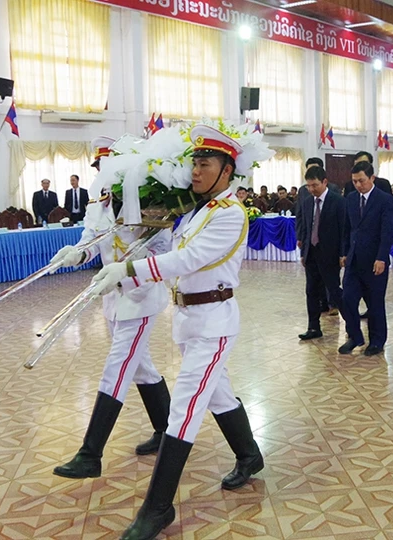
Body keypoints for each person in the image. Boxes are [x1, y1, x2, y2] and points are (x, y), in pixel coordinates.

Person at [92, 125, 265, 540]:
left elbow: (188, 259)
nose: (196, 171)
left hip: (214, 325)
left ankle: (157, 508)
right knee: (218, 393)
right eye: (193, 163)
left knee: (184, 409)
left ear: (227, 170)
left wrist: (129, 270)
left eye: (204, 164)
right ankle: (250, 455)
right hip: (190, 322)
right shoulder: (197, 210)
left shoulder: (228, 214)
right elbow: (162, 249)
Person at [49, 139, 173, 478]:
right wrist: (76, 254)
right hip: (111, 300)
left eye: (108, 167)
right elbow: (92, 239)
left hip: (139, 298)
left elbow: (160, 251)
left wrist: (125, 273)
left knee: (117, 368)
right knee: (141, 367)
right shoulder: (100, 202)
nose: (102, 174)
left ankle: (91, 454)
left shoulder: (152, 201)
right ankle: (166, 429)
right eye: (99, 167)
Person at [339, 160, 393, 356]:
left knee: (374, 303)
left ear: (372, 178)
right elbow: (347, 229)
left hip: (375, 261)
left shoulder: (384, 200)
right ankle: (355, 336)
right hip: (354, 259)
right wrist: (344, 252)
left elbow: (387, 232)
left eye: (361, 180)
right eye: (354, 181)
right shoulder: (351, 199)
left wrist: (381, 257)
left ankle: (377, 341)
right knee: (347, 299)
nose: (358, 185)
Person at [297, 165, 346, 341]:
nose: (311, 189)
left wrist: (343, 253)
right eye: (308, 186)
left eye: (315, 185)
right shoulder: (307, 201)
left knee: (334, 290)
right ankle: (313, 327)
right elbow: (305, 227)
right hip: (311, 254)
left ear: (325, 182)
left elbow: (343, 230)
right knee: (311, 291)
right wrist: (303, 252)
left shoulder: (338, 201)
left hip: (330, 255)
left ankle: (351, 323)